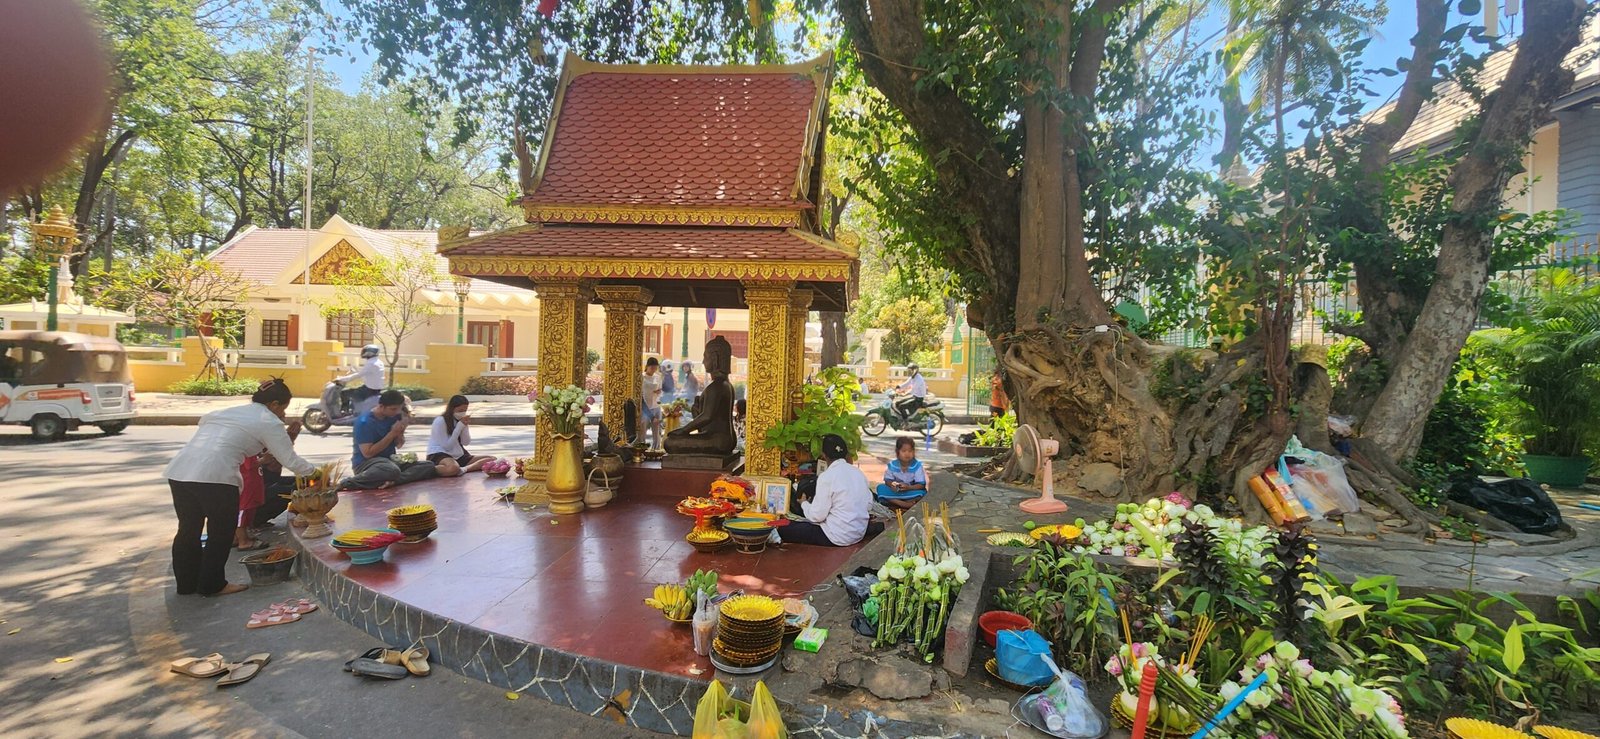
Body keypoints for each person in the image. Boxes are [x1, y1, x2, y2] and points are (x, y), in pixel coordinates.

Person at [164, 378, 318, 596]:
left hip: (180, 472)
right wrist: (316, 474)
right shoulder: (268, 421)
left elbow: (209, 426)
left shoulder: (225, 413)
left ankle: (186, 585)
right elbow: (290, 460)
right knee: (221, 531)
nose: (282, 414)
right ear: (274, 404)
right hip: (216, 476)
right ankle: (212, 585)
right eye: (283, 408)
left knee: (188, 529)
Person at [779, 434, 882, 547]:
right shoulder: (858, 473)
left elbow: (816, 516)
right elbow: (868, 505)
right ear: (846, 454)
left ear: (823, 455)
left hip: (836, 536)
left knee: (783, 528)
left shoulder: (827, 477)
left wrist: (804, 503)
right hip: (859, 533)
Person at [340, 390, 445, 489]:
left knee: (428, 465)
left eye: (399, 409)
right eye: (393, 409)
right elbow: (368, 453)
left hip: (390, 461)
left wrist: (401, 431)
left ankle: (394, 481)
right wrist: (392, 433)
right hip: (368, 464)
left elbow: (399, 445)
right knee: (391, 470)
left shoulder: (394, 417)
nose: (396, 412)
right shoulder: (365, 422)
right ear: (381, 406)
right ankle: (349, 482)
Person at [427, 394, 492, 476]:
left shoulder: (459, 420)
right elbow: (447, 447)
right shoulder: (440, 421)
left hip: (457, 454)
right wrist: (459, 427)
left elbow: (466, 442)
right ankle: (426, 469)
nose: (462, 413)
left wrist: (465, 427)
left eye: (465, 410)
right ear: (452, 408)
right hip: (440, 453)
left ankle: (464, 469)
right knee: (453, 468)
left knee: (491, 459)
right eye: (460, 410)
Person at [876, 437, 928, 510]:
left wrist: (909, 487)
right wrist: (893, 484)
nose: (907, 454)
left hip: (911, 491)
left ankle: (899, 502)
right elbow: (888, 481)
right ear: (898, 452)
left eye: (910, 451)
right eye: (904, 451)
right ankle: (903, 503)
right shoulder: (893, 465)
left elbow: (921, 485)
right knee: (880, 488)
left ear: (914, 452)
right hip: (896, 491)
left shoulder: (917, 466)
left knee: (922, 493)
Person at [336, 343, 385, 413]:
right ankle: (353, 410)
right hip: (374, 388)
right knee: (354, 394)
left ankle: (345, 411)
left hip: (369, 390)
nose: (363, 353)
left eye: (364, 351)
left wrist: (342, 379)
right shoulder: (378, 362)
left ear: (369, 352)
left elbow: (359, 375)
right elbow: (367, 374)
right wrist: (355, 372)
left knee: (344, 393)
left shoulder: (371, 363)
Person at [640, 356, 664, 449]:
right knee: (643, 429)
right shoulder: (642, 377)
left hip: (656, 405)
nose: (654, 370)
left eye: (655, 368)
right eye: (652, 367)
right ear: (647, 366)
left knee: (657, 430)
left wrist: (659, 391)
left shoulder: (657, 377)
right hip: (645, 406)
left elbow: (660, 389)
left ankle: (656, 449)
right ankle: (642, 448)